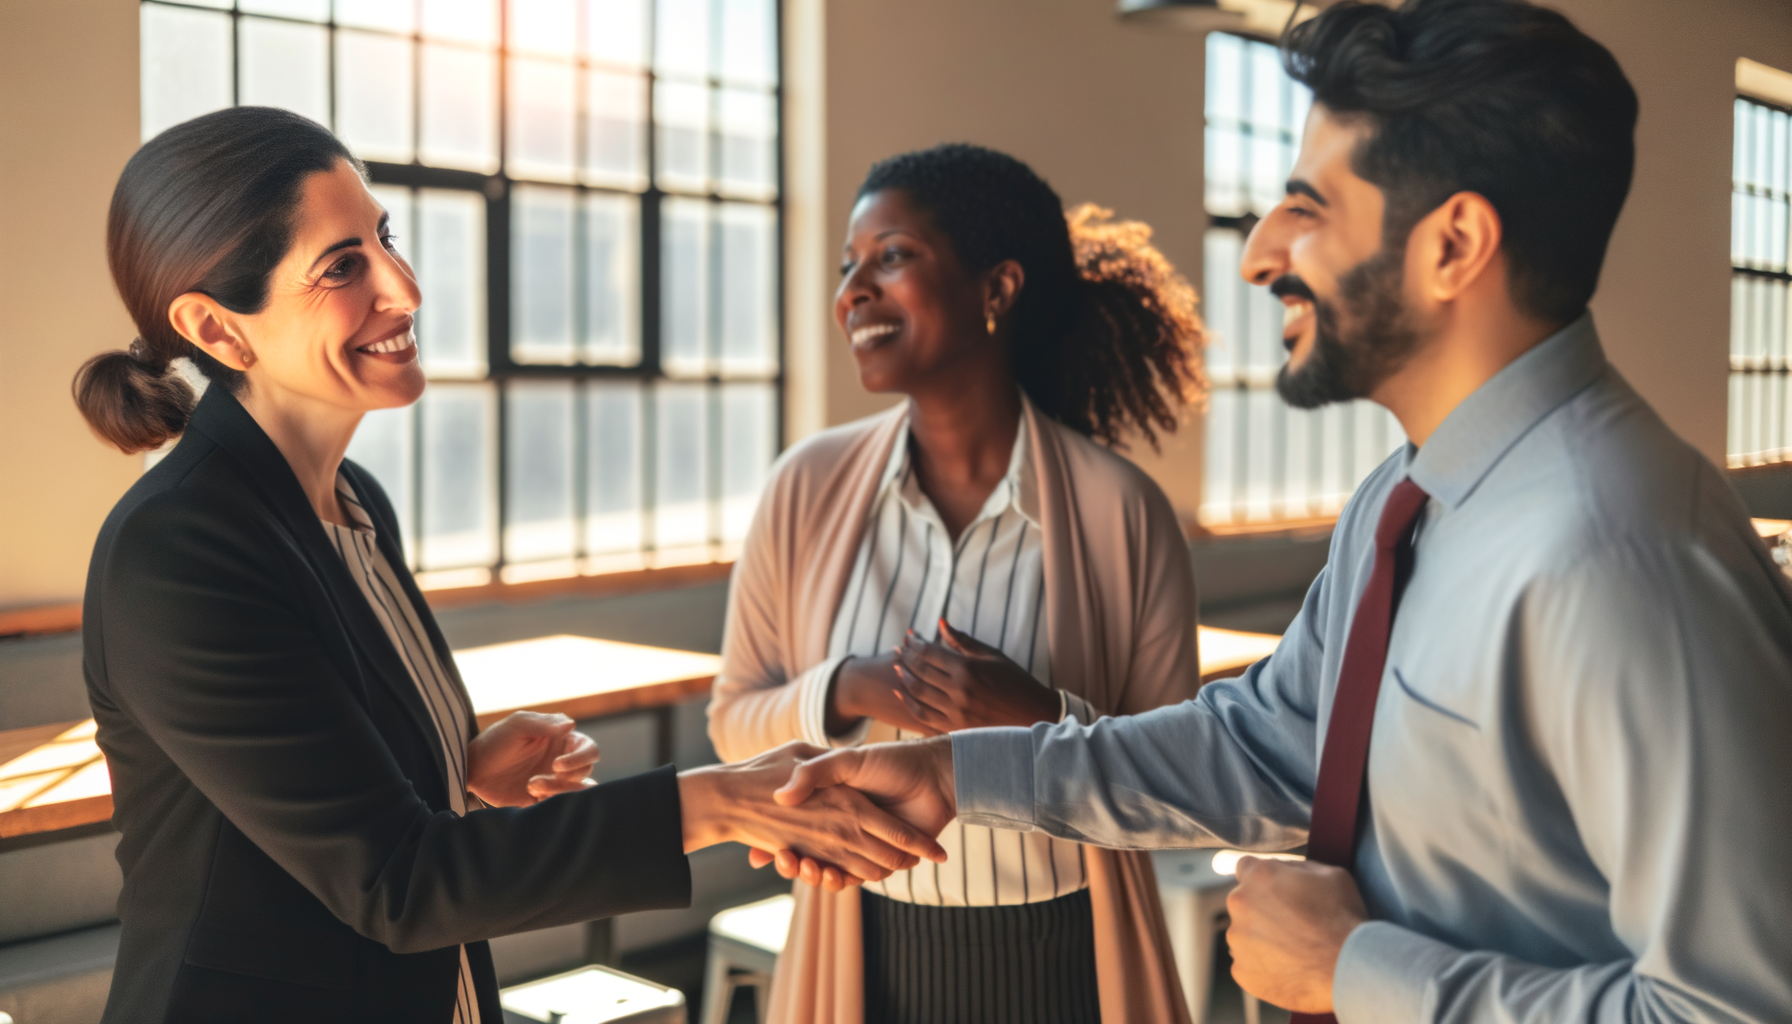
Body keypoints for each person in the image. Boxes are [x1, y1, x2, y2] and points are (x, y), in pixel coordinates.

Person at [773, 2, 1792, 1022]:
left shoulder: (1619, 556)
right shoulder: (1401, 503)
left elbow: (1733, 1007)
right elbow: (1269, 743)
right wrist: (960, 774)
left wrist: (1355, 969)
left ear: (1453, 245)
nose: (1259, 254)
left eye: (1307, 206)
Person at [72, 106, 941, 1024]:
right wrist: (723, 801)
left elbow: (339, 803)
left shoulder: (354, 501)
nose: (405, 288)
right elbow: (399, 880)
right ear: (217, 328)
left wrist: (458, 772)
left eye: (385, 239)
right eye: (342, 266)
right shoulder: (176, 551)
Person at [706, 144, 1208, 1024]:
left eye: (892, 256)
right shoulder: (804, 488)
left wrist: (1038, 714)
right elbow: (731, 722)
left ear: (997, 288)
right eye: (848, 266)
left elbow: (1184, 785)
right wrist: (847, 687)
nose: (852, 291)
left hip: (1069, 962)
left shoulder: (1125, 513)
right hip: (865, 959)